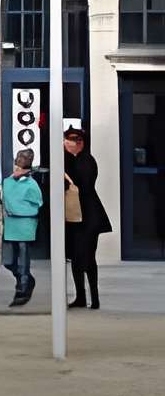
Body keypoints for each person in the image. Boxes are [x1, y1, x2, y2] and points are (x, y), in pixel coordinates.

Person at [62, 126, 113, 309]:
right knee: (77, 258)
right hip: (76, 216)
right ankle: (81, 297)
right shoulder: (68, 160)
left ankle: (94, 297)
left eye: (71, 140)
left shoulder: (86, 161)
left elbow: (84, 183)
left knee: (87, 257)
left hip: (89, 216)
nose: (66, 143)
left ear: (80, 143)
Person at [1, 147, 42, 308]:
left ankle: (22, 287)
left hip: (25, 224)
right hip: (11, 224)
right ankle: (25, 280)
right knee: (9, 261)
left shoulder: (31, 184)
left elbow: (37, 204)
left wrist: (18, 210)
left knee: (23, 260)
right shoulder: (8, 181)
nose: (17, 168)